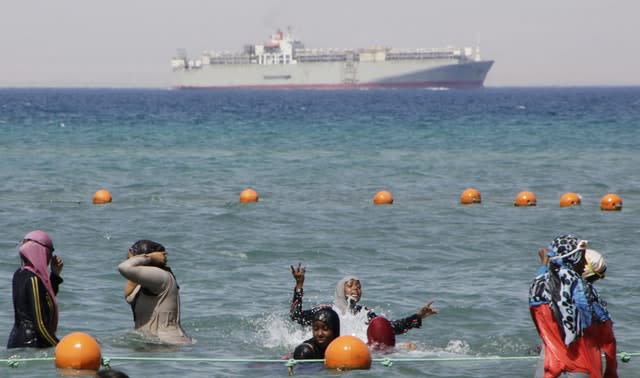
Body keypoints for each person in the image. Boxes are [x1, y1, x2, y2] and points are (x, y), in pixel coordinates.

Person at [289, 263, 437, 345]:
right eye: (351, 285)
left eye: (359, 286)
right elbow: (296, 316)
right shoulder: (325, 311)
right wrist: (299, 285)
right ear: (341, 289)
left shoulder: (364, 313)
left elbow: (391, 328)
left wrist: (419, 316)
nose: (356, 289)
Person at [529, 234, 601, 378]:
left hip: (549, 363)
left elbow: (545, 281)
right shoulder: (582, 290)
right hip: (577, 364)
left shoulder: (538, 286)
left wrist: (544, 263)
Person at [118, 240, 193, 345]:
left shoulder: (161, 278)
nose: (130, 259)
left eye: (133, 257)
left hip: (169, 344)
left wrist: (150, 258)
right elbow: (129, 295)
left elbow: (124, 267)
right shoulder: (140, 285)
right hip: (153, 343)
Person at [7, 230, 63, 348]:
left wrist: (55, 275)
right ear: (41, 251)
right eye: (49, 252)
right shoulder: (33, 280)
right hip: (32, 344)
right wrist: (60, 346)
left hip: (15, 342)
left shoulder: (19, 274)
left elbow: (43, 300)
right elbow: (40, 325)